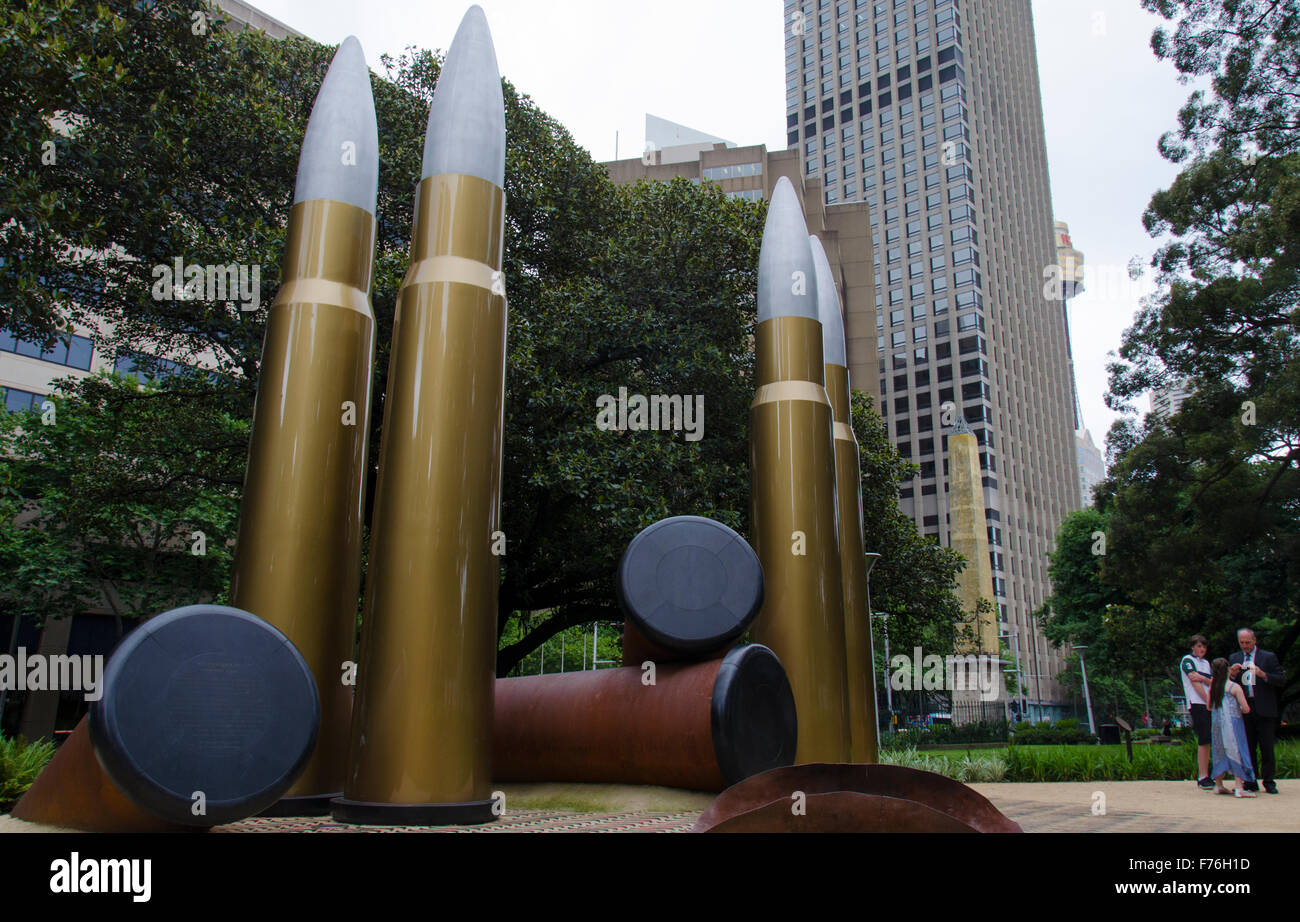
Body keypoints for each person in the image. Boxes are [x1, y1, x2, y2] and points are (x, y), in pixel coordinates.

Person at [1229, 628, 1286, 794]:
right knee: (1248, 746)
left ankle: (1269, 781)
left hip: (1264, 707)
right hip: (1245, 707)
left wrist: (1263, 674)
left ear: (1254, 641)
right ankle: (1250, 780)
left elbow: (1280, 679)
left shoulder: (1268, 657)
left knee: (1267, 747)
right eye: (1242, 643)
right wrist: (1232, 676)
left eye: (1248, 642)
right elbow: (1230, 684)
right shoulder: (1235, 658)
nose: (1245, 646)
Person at [1208, 658, 1256, 797]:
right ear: (1228, 670)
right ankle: (1239, 786)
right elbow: (1246, 708)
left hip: (1217, 724)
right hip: (1233, 723)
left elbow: (1209, 706)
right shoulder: (1233, 687)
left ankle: (1218, 784)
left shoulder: (1214, 687)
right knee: (1237, 749)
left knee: (1219, 750)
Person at [1180, 635, 1215, 790]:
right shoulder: (1187, 660)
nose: (1201, 649)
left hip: (1209, 703)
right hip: (1198, 702)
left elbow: (1211, 680)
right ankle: (1202, 775)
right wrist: (1207, 699)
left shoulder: (1206, 663)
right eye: (1199, 646)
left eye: (1204, 647)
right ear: (1192, 647)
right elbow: (1195, 681)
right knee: (1204, 738)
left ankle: (1209, 773)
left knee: (1211, 738)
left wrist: (1203, 678)